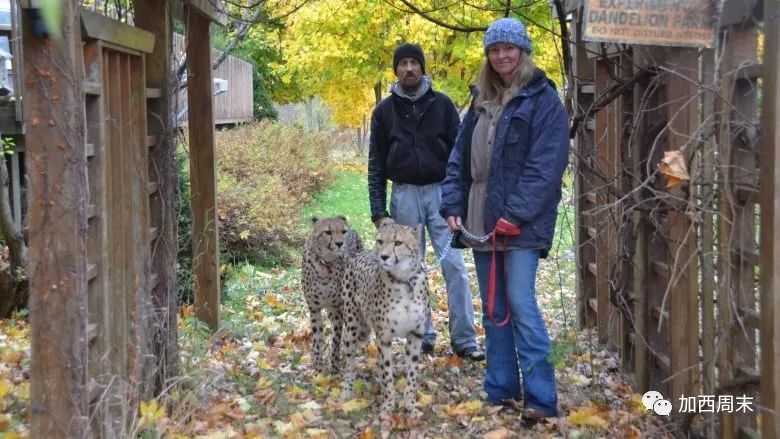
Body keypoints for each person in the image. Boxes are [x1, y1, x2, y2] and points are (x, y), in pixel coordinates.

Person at [440, 18, 568, 421]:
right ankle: (501, 389)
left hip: (521, 224)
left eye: (509, 49)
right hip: (480, 218)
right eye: (495, 50)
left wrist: (515, 214)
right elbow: (459, 159)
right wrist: (452, 204)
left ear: (523, 52)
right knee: (494, 308)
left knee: (521, 305)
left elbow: (546, 165)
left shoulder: (543, 99)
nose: (502, 56)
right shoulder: (480, 100)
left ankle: (542, 399)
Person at [368, 43, 484, 361]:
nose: (409, 69)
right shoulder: (383, 112)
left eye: (414, 63)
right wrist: (379, 211)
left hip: (441, 192)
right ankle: (423, 335)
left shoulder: (443, 105)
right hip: (404, 193)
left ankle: (464, 339)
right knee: (409, 269)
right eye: (403, 63)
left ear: (422, 67)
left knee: (455, 266)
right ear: (396, 70)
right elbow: (376, 164)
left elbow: (460, 155)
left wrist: (458, 199)